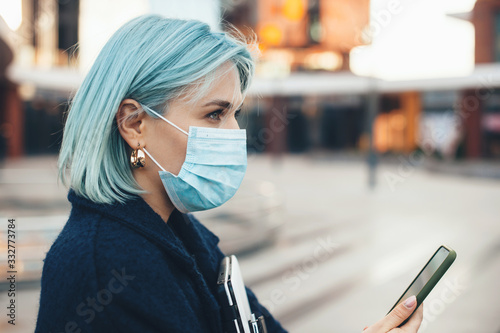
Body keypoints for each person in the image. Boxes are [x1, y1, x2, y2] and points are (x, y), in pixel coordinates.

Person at [35, 14, 423, 333]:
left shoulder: (180, 231)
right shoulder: (103, 269)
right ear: (134, 123)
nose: (236, 132)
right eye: (214, 113)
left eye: (236, 112)